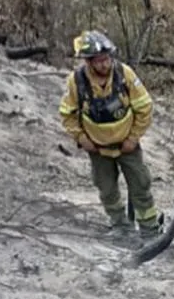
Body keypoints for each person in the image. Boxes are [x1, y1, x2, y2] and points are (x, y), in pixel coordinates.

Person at [58, 30, 162, 238]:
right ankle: (120, 225)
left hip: (127, 145)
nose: (105, 65)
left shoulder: (125, 75)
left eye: (107, 59)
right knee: (106, 189)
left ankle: (150, 229)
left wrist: (133, 137)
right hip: (97, 148)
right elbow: (67, 114)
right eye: (99, 61)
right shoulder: (76, 81)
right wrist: (81, 138)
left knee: (140, 184)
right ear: (89, 62)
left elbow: (145, 107)